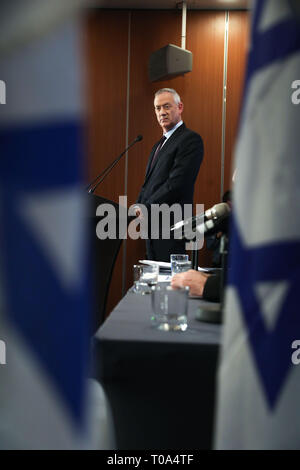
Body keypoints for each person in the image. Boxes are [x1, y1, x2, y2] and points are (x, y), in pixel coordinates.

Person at [135, 88, 204, 262]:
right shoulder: (158, 145)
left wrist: (146, 206)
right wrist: (137, 206)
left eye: (167, 107)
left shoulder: (190, 140)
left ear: (180, 107)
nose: (162, 112)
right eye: (158, 108)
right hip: (152, 226)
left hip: (173, 226)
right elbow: (149, 184)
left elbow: (177, 183)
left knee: (170, 285)